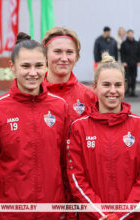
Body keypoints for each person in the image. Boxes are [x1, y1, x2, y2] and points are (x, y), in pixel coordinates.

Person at [0, 33, 69, 220]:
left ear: (46, 65)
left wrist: (67, 210)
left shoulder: (60, 107)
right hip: (10, 215)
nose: (33, 72)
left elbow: (66, 164)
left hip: (51, 213)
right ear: (12, 67)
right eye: (26, 66)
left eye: (38, 66)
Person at [67, 52, 140, 220]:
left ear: (125, 87)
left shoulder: (138, 125)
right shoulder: (79, 128)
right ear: (95, 87)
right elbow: (76, 178)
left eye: (118, 85)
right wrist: (102, 215)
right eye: (106, 85)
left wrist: (121, 215)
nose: (112, 91)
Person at [42, 26, 97, 122]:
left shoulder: (89, 96)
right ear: (45, 55)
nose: (64, 58)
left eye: (69, 52)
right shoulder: (33, 93)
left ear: (77, 57)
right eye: (57, 52)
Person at [121, 29, 140, 97]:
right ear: (127, 34)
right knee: (127, 77)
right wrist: (123, 61)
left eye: (132, 33)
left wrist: (138, 61)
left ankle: (133, 90)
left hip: (134, 63)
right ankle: (127, 90)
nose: (130, 35)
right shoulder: (124, 43)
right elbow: (122, 53)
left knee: (134, 77)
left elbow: (138, 53)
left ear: (133, 34)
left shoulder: (137, 43)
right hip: (127, 64)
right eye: (129, 33)